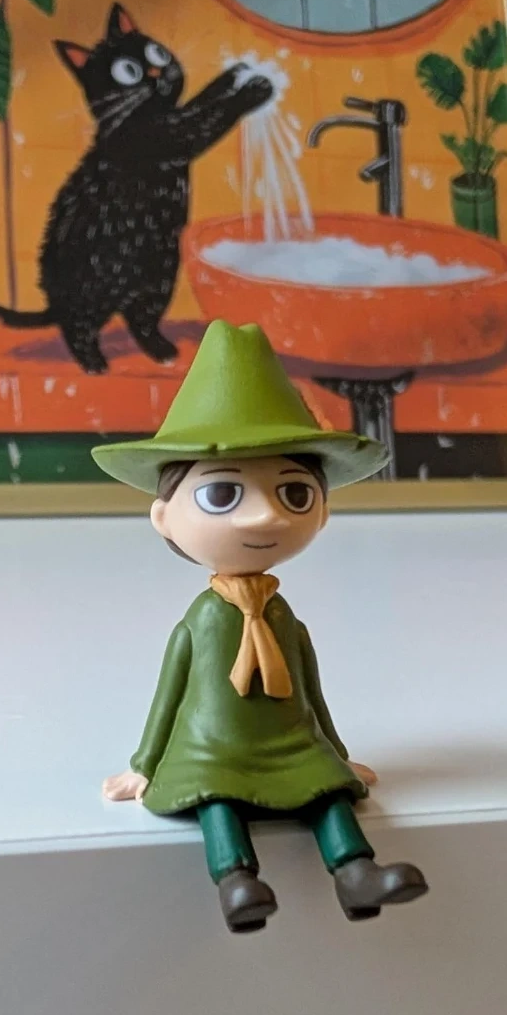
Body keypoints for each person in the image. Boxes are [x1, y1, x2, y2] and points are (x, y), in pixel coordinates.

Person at [93, 319, 428, 933]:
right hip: (209, 749)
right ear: (164, 517)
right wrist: (144, 763)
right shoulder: (202, 619)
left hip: (291, 745)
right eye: (223, 494)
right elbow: (171, 690)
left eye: (294, 494)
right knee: (215, 801)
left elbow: (310, 687)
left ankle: (356, 873)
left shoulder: (281, 615)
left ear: (321, 514)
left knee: (328, 794)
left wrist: (337, 753)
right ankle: (236, 881)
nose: (266, 516)